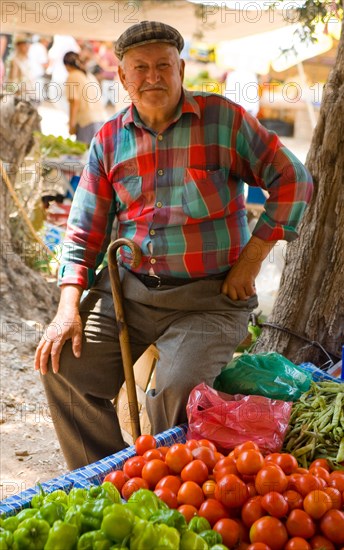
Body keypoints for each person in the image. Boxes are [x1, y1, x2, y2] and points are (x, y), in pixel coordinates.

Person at [34, 21, 313, 470]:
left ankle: (168, 489)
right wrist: (67, 307)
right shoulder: (108, 140)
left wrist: (252, 260)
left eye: (163, 65)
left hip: (213, 297)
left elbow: (294, 179)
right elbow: (83, 231)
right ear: (122, 78)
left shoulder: (223, 119)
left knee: (174, 392)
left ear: (180, 68)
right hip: (128, 291)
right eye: (140, 68)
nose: (153, 76)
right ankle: (109, 480)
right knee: (62, 366)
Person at [63, 51, 107, 145]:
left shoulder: (72, 76)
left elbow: (74, 101)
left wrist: (71, 125)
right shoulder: (89, 76)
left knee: (84, 157)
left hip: (87, 122)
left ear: (66, 65)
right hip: (101, 120)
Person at [5, 34, 34, 99]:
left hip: (29, 97)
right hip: (20, 99)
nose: (27, 47)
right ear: (18, 46)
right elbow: (11, 84)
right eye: (25, 44)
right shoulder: (14, 61)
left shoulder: (27, 60)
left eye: (29, 44)